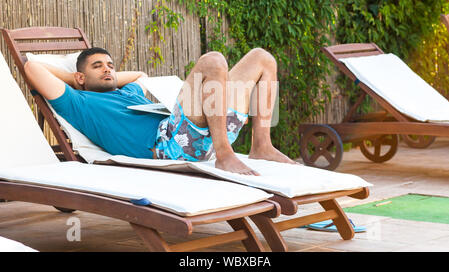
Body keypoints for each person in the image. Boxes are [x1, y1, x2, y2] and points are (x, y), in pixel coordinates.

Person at [24, 47, 296, 176]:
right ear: (80, 77)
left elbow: (140, 74)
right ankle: (225, 154)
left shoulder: (128, 90)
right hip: (171, 144)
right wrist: (75, 81)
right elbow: (32, 68)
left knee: (262, 58)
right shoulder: (79, 103)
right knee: (213, 61)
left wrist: (110, 78)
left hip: (202, 131)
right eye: (98, 66)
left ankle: (262, 144)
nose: (108, 69)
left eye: (110, 64)